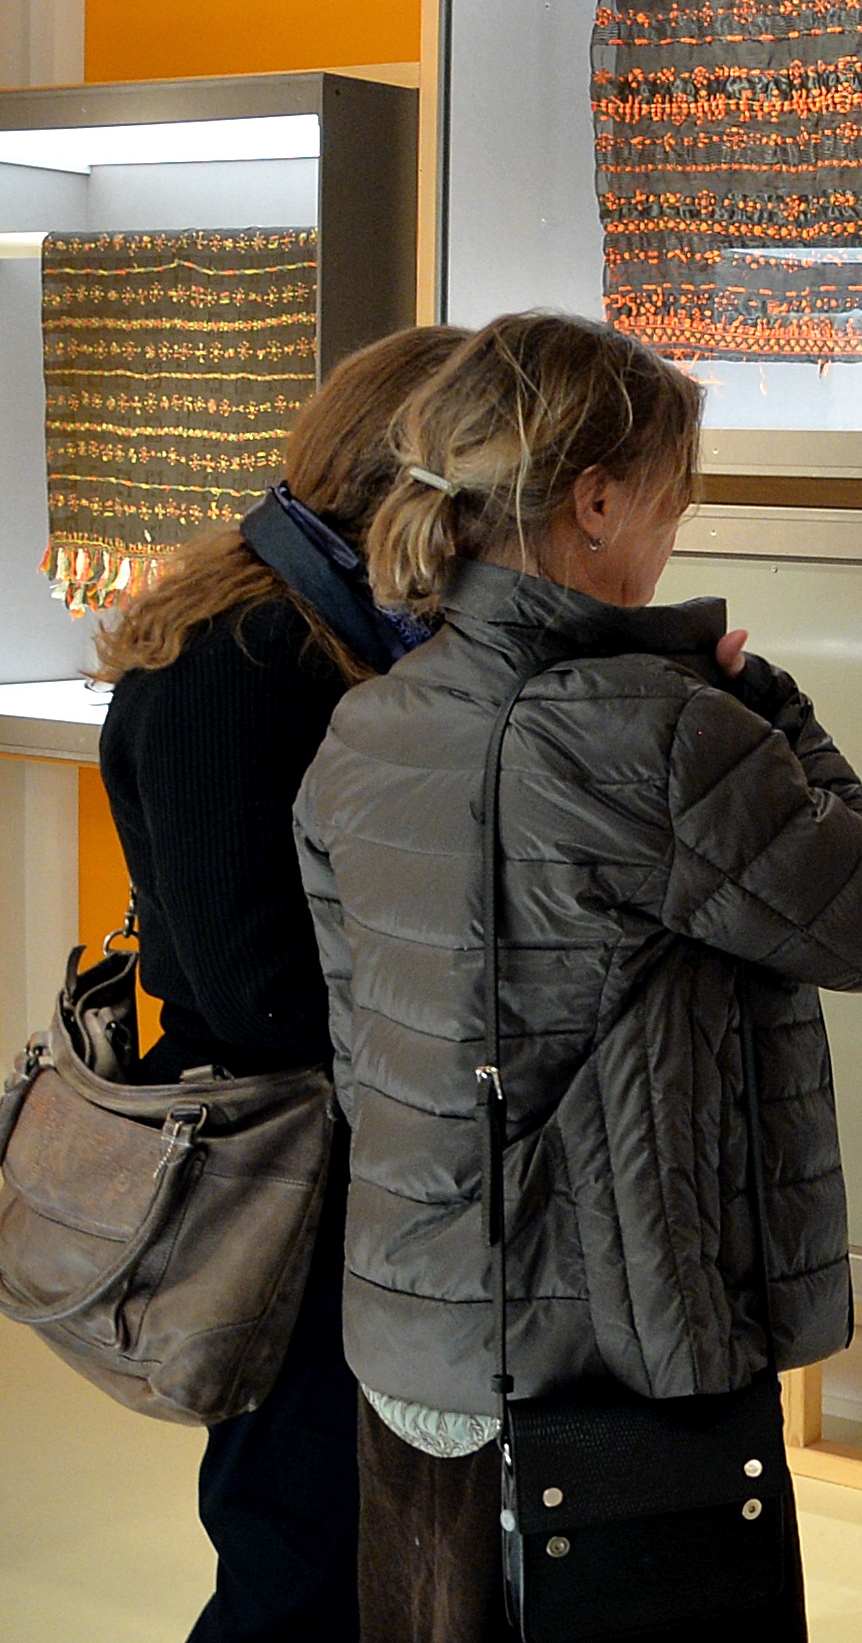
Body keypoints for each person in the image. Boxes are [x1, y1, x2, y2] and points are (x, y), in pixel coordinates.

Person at [293, 312, 862, 1643]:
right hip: (614, 1350)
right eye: (671, 497)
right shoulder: (654, 729)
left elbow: (362, 1048)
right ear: (594, 502)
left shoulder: (370, 723)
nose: (676, 530)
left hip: (417, 1337)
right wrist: (778, 714)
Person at [90, 324, 469, 1643]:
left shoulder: (314, 626)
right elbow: (260, 988)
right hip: (292, 1168)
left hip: (334, 1164)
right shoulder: (248, 657)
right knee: (300, 1557)